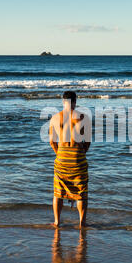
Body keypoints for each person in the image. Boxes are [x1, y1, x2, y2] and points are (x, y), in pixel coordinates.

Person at [49, 91, 90, 228]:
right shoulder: (84, 118)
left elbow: (51, 142)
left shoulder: (54, 118)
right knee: (81, 192)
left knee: (58, 192)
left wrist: (59, 153)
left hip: (61, 158)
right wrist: (81, 153)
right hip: (78, 158)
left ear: (63, 102)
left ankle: (57, 222)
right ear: (75, 102)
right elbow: (88, 142)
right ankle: (82, 223)